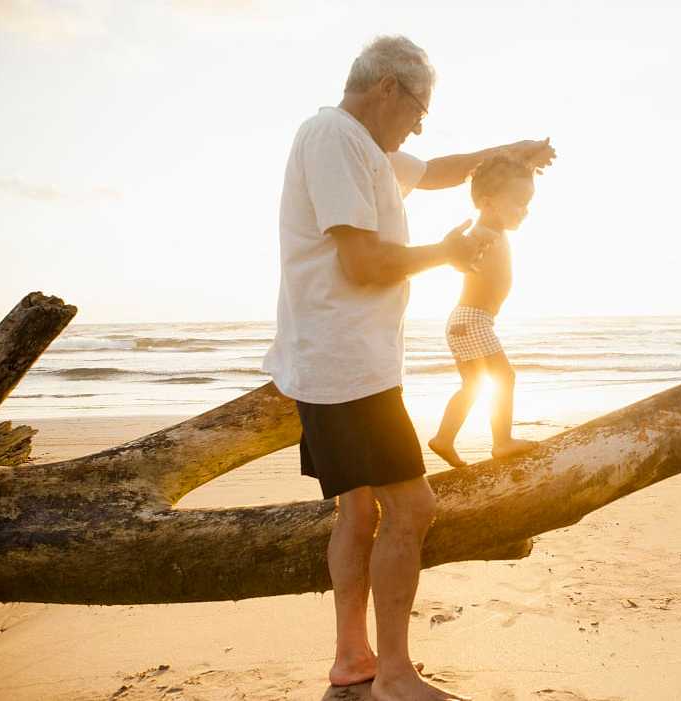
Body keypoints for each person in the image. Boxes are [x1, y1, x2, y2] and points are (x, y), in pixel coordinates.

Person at [262, 35, 554, 701]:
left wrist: (515, 151)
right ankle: (394, 674)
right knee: (412, 507)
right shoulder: (333, 138)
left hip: (340, 359)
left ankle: (353, 659)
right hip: (346, 366)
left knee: (356, 513)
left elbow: (444, 169)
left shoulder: (367, 149)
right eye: (419, 107)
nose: (421, 122)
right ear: (388, 89)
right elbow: (360, 263)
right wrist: (446, 252)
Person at [428, 155, 543, 468]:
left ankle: (443, 439)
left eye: (528, 201)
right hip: (472, 319)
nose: (526, 210)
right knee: (504, 377)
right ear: (489, 203)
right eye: (519, 202)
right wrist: (457, 249)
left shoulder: (495, 231)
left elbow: (501, 175)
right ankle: (502, 442)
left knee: (474, 385)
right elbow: (461, 251)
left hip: (465, 321)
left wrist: (525, 163)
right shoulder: (483, 234)